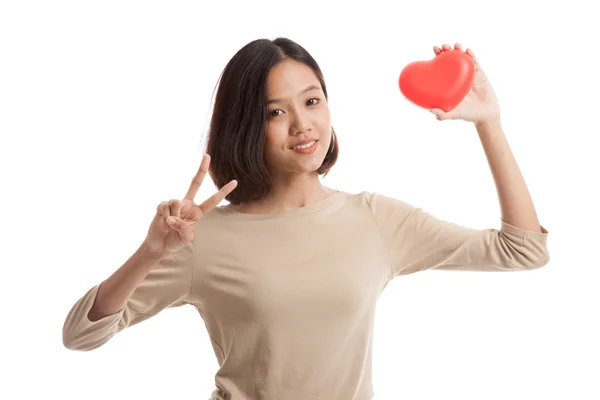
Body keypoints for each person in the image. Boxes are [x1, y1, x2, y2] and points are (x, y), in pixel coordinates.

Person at [62, 38, 550, 400]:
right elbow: (82, 335)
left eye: (312, 101)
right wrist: (151, 253)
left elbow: (523, 250)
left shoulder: (374, 220)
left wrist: (488, 121)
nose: (303, 125)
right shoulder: (201, 238)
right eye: (275, 112)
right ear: (248, 125)